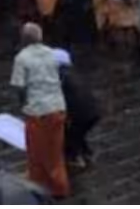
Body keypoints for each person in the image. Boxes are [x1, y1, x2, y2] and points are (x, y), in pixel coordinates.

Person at [10, 22, 70, 198]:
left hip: (38, 111)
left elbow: (20, 87)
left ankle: (38, 185)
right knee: (55, 151)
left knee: (36, 152)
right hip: (58, 107)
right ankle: (59, 187)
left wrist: (23, 104)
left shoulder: (22, 58)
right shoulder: (51, 54)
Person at [53, 49, 99, 169]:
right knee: (78, 133)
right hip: (94, 111)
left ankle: (75, 158)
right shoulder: (73, 74)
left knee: (69, 137)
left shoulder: (59, 77)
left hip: (82, 114)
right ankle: (87, 153)